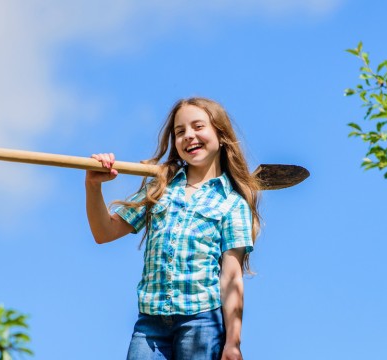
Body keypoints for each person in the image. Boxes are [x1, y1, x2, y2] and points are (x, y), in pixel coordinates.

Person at [84, 97, 261, 360]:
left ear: (221, 135)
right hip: (150, 323)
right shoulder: (160, 187)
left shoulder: (232, 203)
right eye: (180, 132)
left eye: (198, 127)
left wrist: (232, 343)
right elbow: (104, 232)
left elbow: (232, 277)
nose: (189, 136)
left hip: (201, 322)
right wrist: (93, 186)